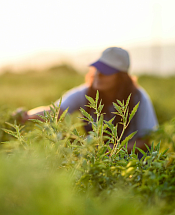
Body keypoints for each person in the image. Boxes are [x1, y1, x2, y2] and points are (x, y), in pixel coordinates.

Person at [16, 47, 158, 155]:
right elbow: (55, 111)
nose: (98, 75)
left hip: (132, 164)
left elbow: (145, 141)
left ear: (121, 77)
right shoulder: (86, 93)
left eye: (105, 71)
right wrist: (28, 116)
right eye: (97, 69)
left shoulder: (138, 98)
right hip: (97, 160)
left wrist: (109, 150)